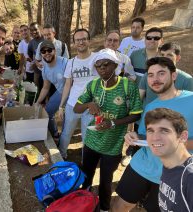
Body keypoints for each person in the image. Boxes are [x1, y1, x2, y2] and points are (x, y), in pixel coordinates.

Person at [112, 57, 193, 212]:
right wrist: (135, 136)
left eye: (161, 73)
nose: (155, 79)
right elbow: (145, 136)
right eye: (150, 75)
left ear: (174, 75)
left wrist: (174, 145)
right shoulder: (150, 107)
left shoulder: (191, 99)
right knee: (119, 206)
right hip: (142, 165)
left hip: (173, 174)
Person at [73, 48, 143, 212]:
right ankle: (85, 204)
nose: (102, 68)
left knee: (105, 180)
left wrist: (113, 123)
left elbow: (136, 114)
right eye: (98, 66)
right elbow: (76, 108)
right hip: (91, 141)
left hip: (112, 145)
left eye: (106, 64)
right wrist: (88, 104)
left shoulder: (128, 86)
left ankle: (104, 208)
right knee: (86, 175)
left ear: (116, 65)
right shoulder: (94, 84)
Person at [57, 28, 96, 159]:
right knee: (66, 133)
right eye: (78, 40)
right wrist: (61, 106)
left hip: (91, 106)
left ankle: (86, 161)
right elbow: (68, 84)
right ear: (74, 43)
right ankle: (61, 155)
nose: (81, 42)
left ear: (89, 41)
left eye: (84, 39)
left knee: (88, 136)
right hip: (73, 104)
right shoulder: (71, 62)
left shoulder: (98, 59)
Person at [145, 108, 193, 211]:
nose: (155, 138)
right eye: (150, 131)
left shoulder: (190, 177)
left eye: (164, 131)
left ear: (183, 136)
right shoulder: (168, 165)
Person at [139, 42, 193, 107]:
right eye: (162, 54)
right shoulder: (148, 75)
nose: (164, 58)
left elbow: (188, 104)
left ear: (178, 58)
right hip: (147, 115)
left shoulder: (187, 80)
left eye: (169, 55)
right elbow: (139, 98)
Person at [35, 40, 67, 142]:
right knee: (47, 112)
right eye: (43, 51)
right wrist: (38, 101)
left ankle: (64, 143)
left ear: (54, 51)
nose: (47, 53)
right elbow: (45, 87)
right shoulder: (44, 70)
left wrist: (63, 105)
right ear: (41, 55)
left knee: (67, 120)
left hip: (72, 93)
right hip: (60, 92)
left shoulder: (65, 63)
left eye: (49, 50)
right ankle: (55, 134)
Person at [28, 22, 44, 90]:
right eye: (31, 30)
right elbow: (30, 54)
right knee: (36, 84)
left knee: (46, 85)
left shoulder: (45, 39)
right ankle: (37, 98)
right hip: (37, 68)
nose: (33, 32)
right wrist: (33, 63)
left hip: (46, 68)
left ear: (40, 29)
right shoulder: (31, 43)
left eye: (35, 29)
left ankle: (47, 99)